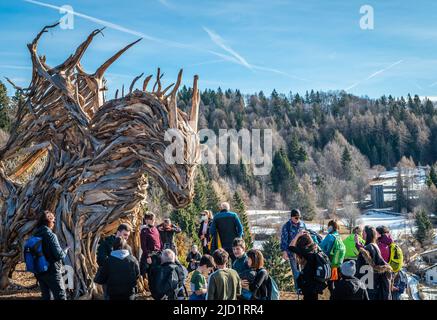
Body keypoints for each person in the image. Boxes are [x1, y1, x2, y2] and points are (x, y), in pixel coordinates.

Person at [33, 210, 68, 300]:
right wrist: (65, 250)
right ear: (48, 221)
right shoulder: (50, 235)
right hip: (52, 271)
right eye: (53, 221)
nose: (54, 223)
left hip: (40, 271)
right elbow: (59, 255)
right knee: (60, 296)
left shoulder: (35, 235)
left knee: (46, 297)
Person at [355, 225, 393, 300]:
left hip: (367, 286)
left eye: (363, 232)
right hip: (373, 285)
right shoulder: (374, 246)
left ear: (366, 234)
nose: (362, 234)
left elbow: (364, 263)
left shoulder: (369, 248)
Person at [288, 230, 326, 300]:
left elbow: (290, 247)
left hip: (309, 285)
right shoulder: (316, 249)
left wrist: (297, 235)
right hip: (316, 284)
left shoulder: (306, 253)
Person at [280, 208, 307, 292]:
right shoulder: (287, 226)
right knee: (295, 271)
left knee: (304, 270)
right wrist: (284, 252)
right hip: (292, 252)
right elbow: (284, 240)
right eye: (296, 217)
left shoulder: (303, 224)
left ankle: (304, 286)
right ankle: (298, 288)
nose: (297, 219)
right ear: (291, 217)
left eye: (299, 217)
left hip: (302, 252)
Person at [319, 220, 345, 298]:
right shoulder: (338, 236)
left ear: (331, 227)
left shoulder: (330, 236)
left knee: (331, 285)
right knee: (336, 284)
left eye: (328, 226)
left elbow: (320, 246)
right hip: (337, 263)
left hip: (330, 264)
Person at [140, 212, 163, 277]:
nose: (152, 220)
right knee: (145, 276)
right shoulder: (144, 230)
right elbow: (143, 245)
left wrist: (161, 251)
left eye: (151, 219)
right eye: (147, 219)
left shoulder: (155, 229)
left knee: (156, 276)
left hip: (157, 255)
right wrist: (147, 257)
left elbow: (160, 241)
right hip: (148, 256)